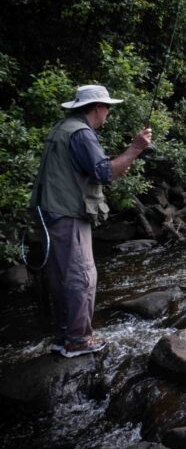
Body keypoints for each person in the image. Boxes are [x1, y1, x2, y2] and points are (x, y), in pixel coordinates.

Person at [28, 85, 152, 358]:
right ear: (97, 107)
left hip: (49, 213)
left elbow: (97, 172)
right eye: (107, 106)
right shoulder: (82, 133)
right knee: (81, 277)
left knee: (61, 278)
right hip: (67, 214)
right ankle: (78, 340)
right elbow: (105, 173)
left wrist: (119, 163)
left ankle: (63, 338)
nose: (108, 111)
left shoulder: (63, 128)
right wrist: (135, 148)